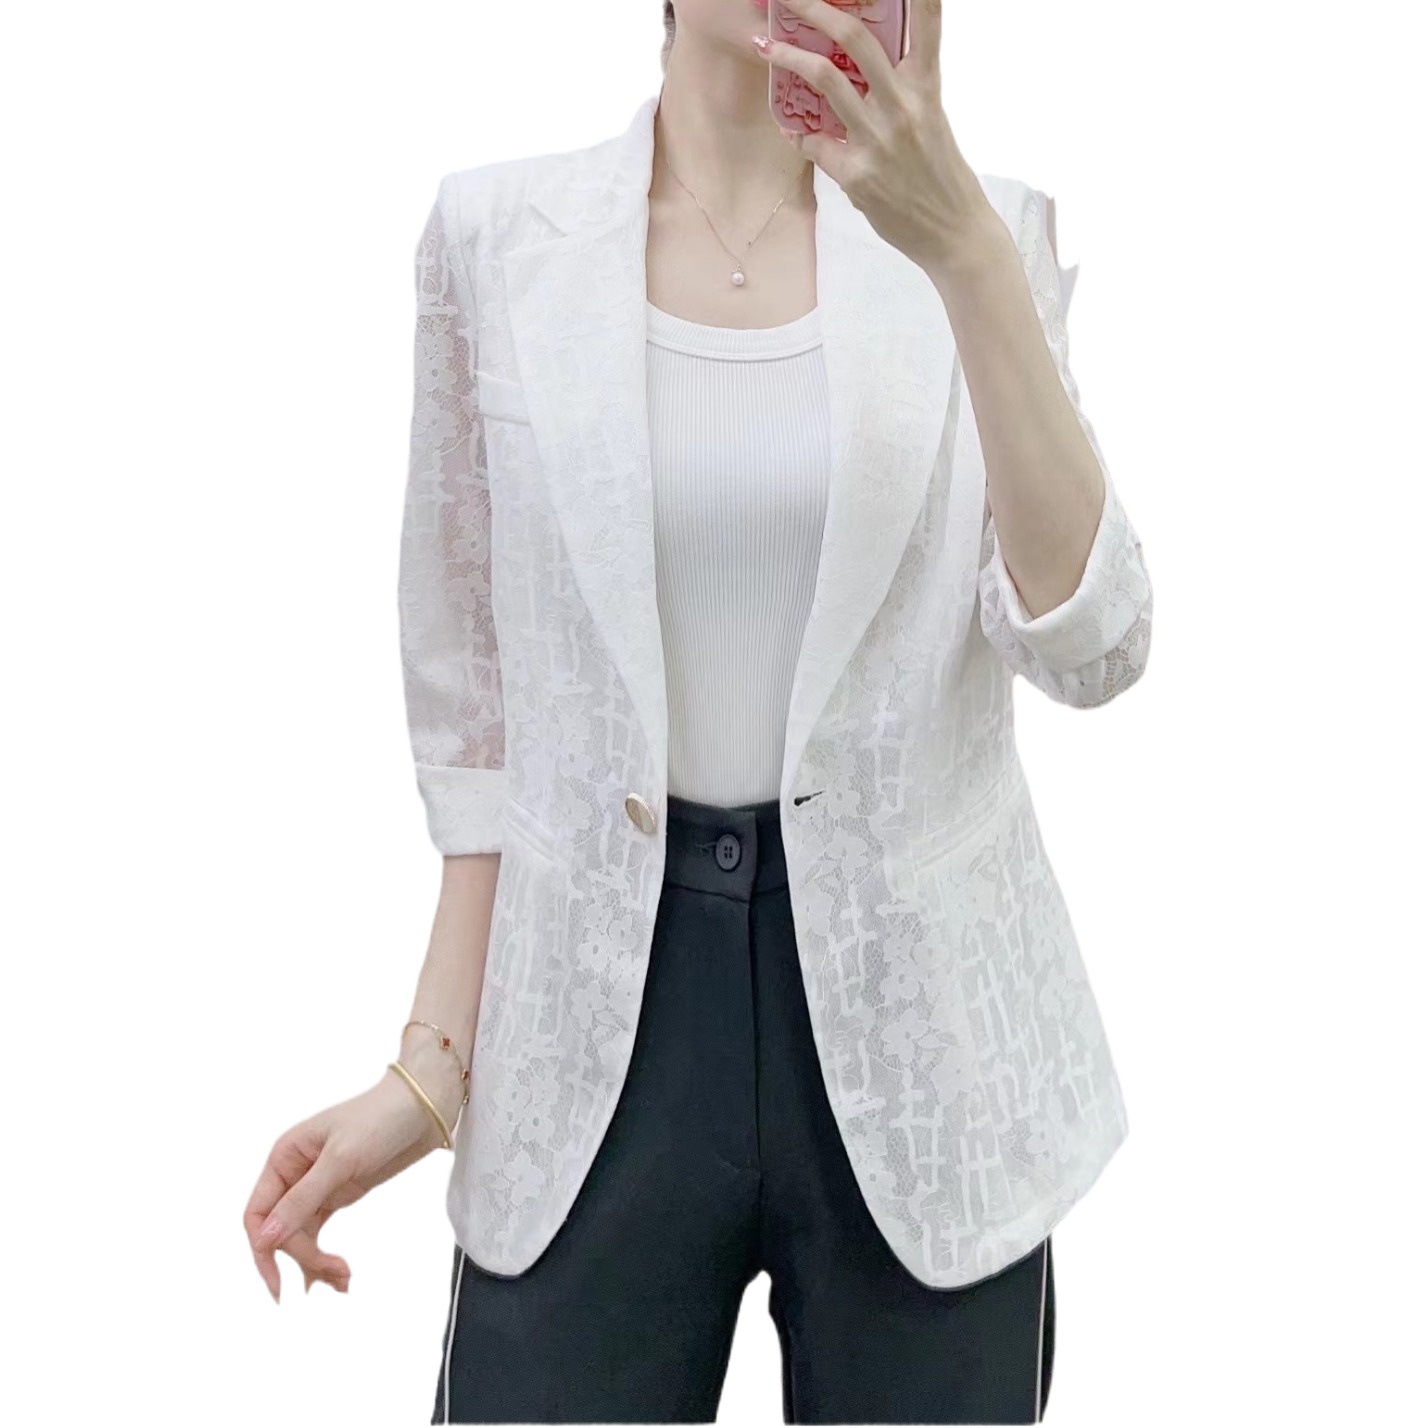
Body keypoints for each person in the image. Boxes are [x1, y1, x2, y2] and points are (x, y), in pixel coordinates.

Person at [244, 1, 1153, 1422]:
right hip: (594, 1022)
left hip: (921, 1045)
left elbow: (1097, 649)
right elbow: (481, 725)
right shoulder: (497, 239)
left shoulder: (987, 231)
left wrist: (965, 250)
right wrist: (429, 1074)